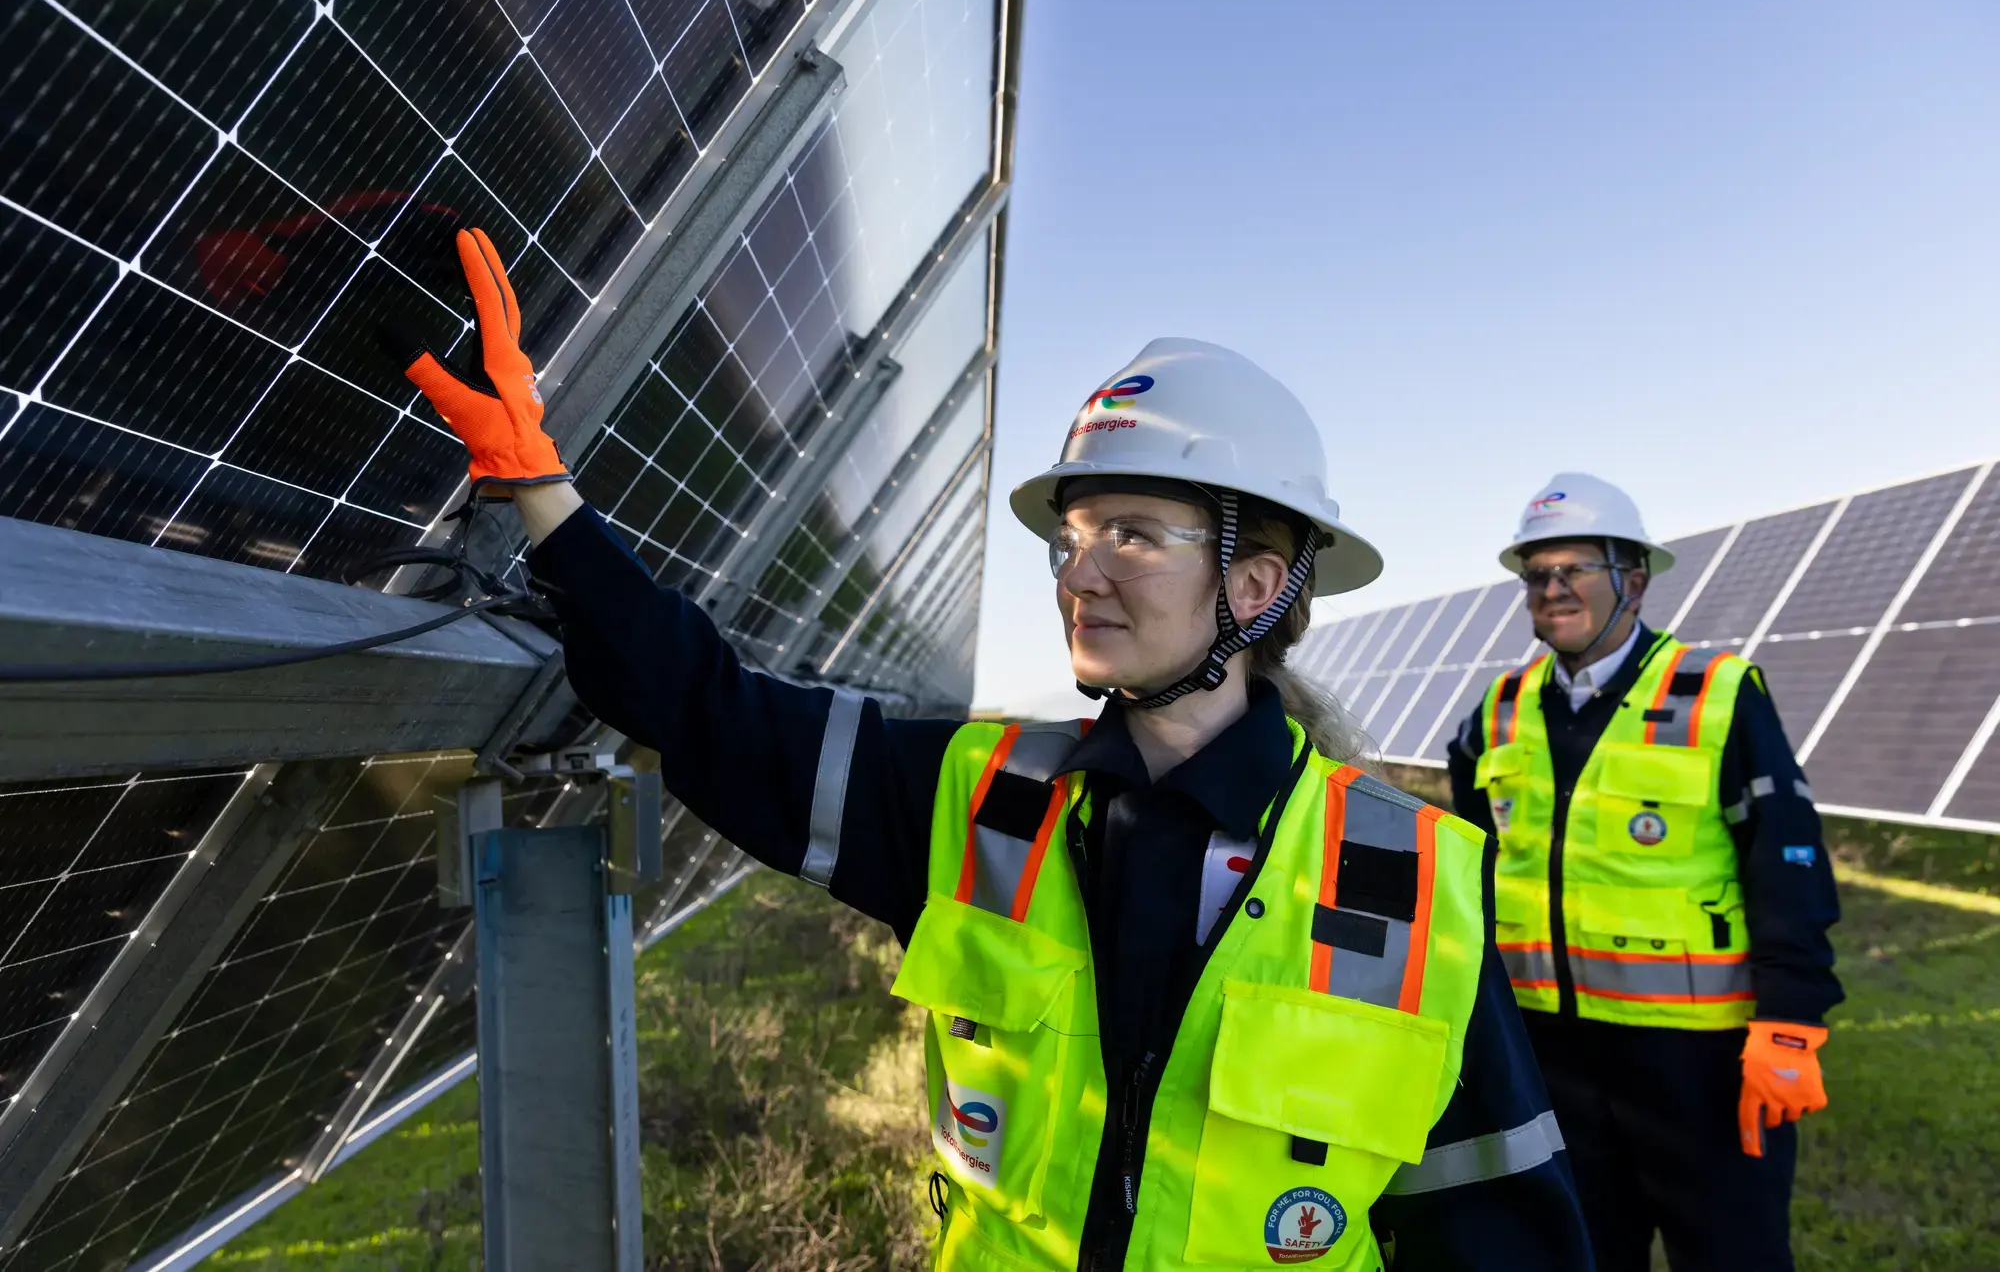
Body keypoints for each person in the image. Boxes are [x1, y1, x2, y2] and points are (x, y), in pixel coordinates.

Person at [396, 229, 1593, 1270]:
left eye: (1130, 534)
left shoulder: (1410, 881)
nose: (1078, 570)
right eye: (1072, 538)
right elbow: (712, 714)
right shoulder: (981, 797)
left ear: (1255, 583)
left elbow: (1493, 1227)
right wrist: (544, 493)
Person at [1445, 473, 1843, 1272]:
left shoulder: (1718, 694)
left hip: (1701, 1061)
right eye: (1535, 576)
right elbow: (1466, 878)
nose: (1551, 592)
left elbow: (1788, 860)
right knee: (1581, 1252)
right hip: (1546, 1053)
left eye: (1572, 571)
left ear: (1633, 579)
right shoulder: (1493, 714)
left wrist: (1791, 1019)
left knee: (1732, 1254)